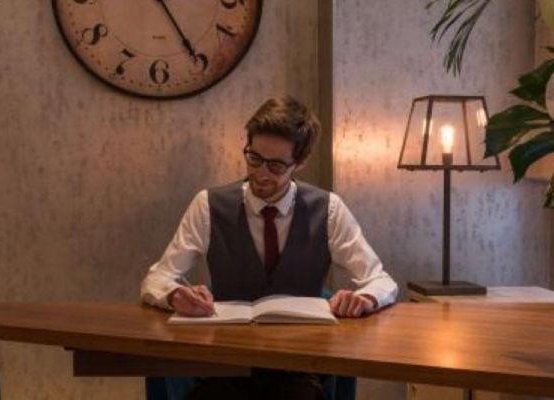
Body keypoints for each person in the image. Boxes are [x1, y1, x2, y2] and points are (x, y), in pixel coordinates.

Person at [140, 96, 398, 400]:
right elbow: (156, 278)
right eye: (254, 158)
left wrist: (365, 297)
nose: (261, 174)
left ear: (299, 162)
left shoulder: (328, 209)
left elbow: (381, 280)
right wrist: (174, 294)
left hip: (300, 363)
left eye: (276, 165)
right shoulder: (208, 205)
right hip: (225, 362)